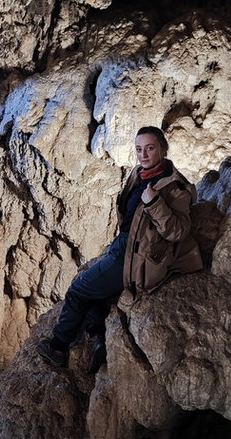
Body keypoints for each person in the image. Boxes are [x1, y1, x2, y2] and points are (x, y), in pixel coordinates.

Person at [37, 126, 203, 373]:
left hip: (136, 258)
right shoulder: (140, 173)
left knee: (77, 291)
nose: (143, 154)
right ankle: (96, 337)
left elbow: (177, 231)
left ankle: (58, 347)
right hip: (123, 245)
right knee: (91, 287)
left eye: (150, 148)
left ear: (163, 149)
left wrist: (155, 203)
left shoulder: (175, 188)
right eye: (139, 149)